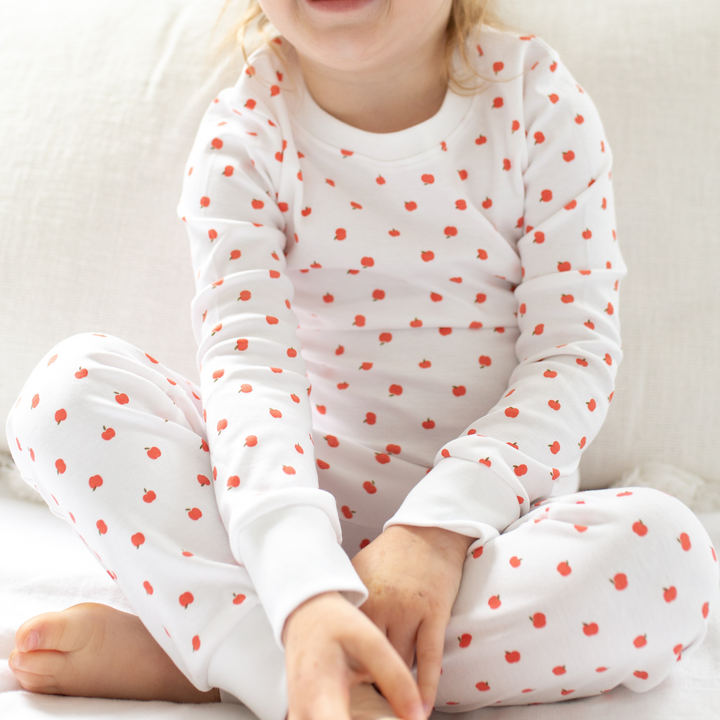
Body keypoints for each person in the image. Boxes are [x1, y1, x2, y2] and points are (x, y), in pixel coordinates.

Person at [5, 1, 718, 719]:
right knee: (64, 394)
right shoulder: (245, 132)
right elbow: (250, 374)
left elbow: (572, 357)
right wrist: (302, 585)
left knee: (670, 556)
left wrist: (435, 531)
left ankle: (219, 655)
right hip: (274, 518)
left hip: (486, 542)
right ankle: (303, 666)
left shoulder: (537, 100)